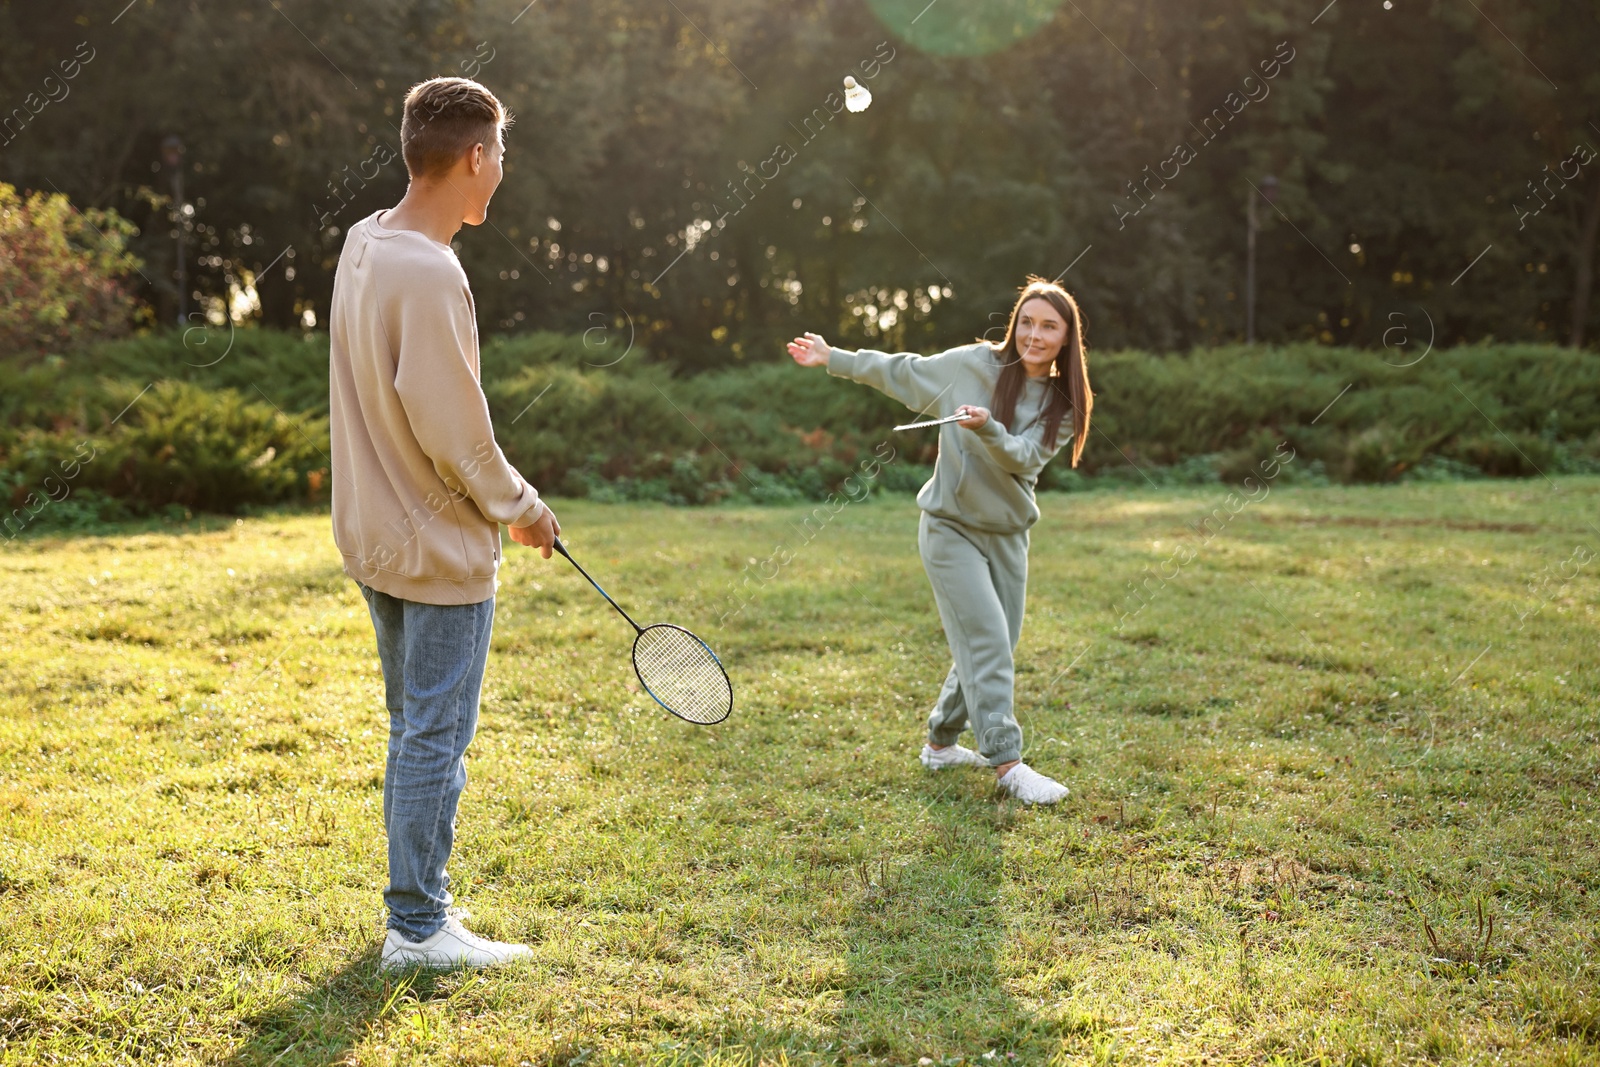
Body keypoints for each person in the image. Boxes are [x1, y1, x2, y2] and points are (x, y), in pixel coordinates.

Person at [328, 76, 558, 969]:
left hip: (375, 539)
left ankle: (418, 913)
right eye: (501, 153)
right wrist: (523, 509)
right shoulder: (430, 270)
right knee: (434, 736)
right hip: (433, 547)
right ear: (474, 157)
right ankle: (417, 927)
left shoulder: (364, 241)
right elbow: (454, 431)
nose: (502, 170)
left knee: (412, 727)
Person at [786, 277, 1092, 804]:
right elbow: (901, 371)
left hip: (1008, 535)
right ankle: (1008, 765)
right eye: (1026, 322)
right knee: (989, 643)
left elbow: (1021, 456)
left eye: (1049, 326)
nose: (1034, 335)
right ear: (1014, 323)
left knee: (991, 642)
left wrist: (986, 428)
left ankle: (940, 744)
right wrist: (832, 356)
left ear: (1067, 338)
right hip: (949, 527)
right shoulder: (971, 365)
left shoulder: (1064, 405)